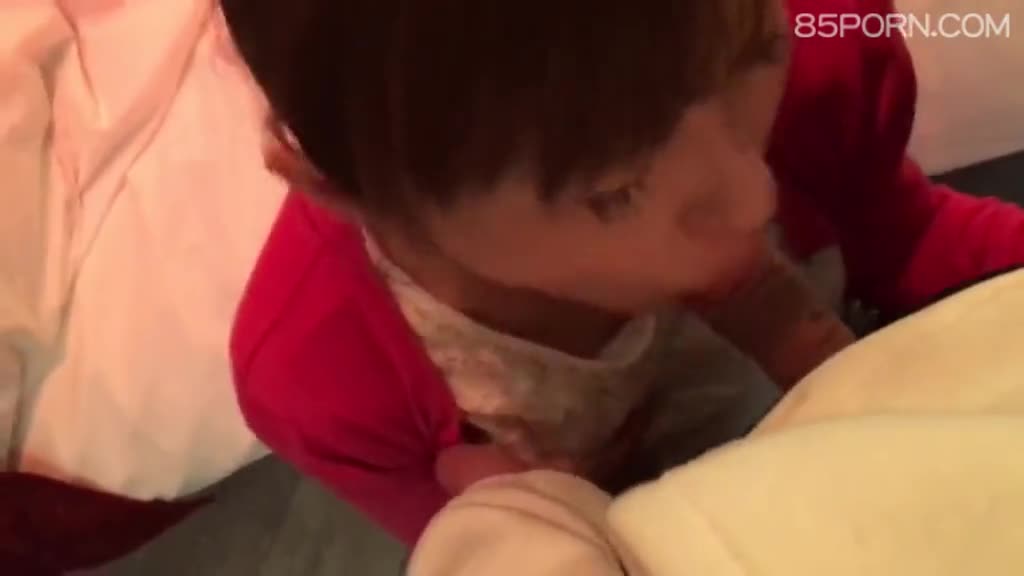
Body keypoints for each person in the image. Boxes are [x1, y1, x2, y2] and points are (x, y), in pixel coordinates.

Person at [222, 0, 1024, 545]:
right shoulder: (323, 378)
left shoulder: (823, 36)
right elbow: (481, 545)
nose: (753, 197)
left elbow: (904, 235)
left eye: (755, 52)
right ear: (346, 193)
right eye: (616, 193)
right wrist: (536, 514)